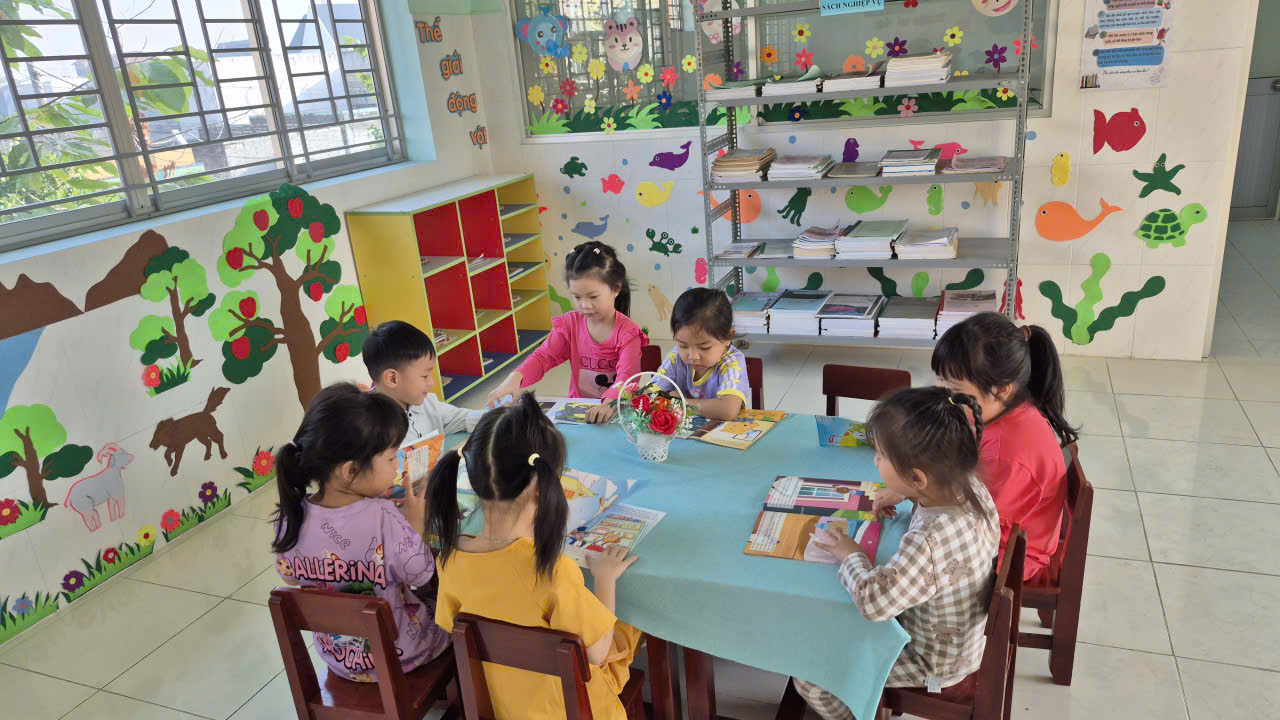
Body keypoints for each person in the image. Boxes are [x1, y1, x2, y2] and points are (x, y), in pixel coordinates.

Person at [426, 393, 643, 719]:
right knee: (633, 625)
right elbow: (598, 653)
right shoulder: (553, 570)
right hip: (573, 710)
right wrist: (605, 579)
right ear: (542, 488)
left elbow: (451, 628)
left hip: (503, 707)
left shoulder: (449, 559)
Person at [794, 387, 1000, 719]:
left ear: (918, 477)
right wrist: (905, 493)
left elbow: (873, 604)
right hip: (958, 639)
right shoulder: (969, 486)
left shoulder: (930, 542)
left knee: (809, 675)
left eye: (880, 455)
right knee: (832, 630)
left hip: (932, 663)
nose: (875, 461)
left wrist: (850, 553)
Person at [272, 383, 447, 681]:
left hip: (340, 661)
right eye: (391, 458)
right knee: (454, 609)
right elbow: (421, 574)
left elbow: (289, 576)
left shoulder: (292, 515)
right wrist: (414, 525)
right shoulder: (382, 516)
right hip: (401, 656)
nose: (396, 467)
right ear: (350, 470)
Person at [913, 312, 1078, 582]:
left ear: (1001, 389)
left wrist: (911, 491)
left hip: (1008, 558)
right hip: (1000, 530)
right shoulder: (1008, 409)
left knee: (907, 563)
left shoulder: (1005, 455)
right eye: (942, 383)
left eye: (955, 391)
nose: (946, 398)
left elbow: (965, 522)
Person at [485, 241, 647, 424]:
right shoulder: (570, 325)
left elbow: (627, 375)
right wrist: (514, 379)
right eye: (577, 297)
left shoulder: (628, 334)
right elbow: (543, 357)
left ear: (616, 288)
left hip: (617, 413)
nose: (585, 305)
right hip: (579, 414)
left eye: (593, 297)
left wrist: (609, 404)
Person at [364, 320, 479, 444]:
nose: (431, 382)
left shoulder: (426, 402)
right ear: (393, 378)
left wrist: (493, 414)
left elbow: (463, 418)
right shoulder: (369, 429)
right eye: (424, 376)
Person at [652, 287, 748, 421]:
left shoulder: (731, 362)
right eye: (683, 345)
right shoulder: (676, 357)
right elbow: (651, 393)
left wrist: (680, 402)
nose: (692, 356)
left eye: (704, 347)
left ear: (728, 337)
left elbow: (728, 410)